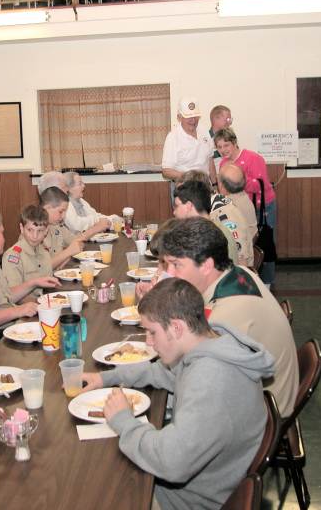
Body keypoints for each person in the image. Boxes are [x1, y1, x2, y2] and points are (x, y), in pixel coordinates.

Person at [81, 278, 275, 510]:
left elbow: (171, 463)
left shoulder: (210, 379)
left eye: (152, 333)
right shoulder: (212, 343)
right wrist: (104, 378)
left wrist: (123, 421)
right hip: (204, 482)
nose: (149, 343)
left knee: (95, 488)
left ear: (177, 327)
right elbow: (163, 373)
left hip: (189, 501)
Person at [158, 216, 299, 416]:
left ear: (206, 265)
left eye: (176, 264)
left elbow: (195, 380)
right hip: (262, 395)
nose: (170, 273)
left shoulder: (224, 319)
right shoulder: (237, 272)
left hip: (263, 416)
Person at [214, 128, 277, 285]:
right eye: (219, 147)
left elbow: (260, 185)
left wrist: (236, 179)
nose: (223, 150)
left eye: (226, 145)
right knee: (243, 244)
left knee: (265, 244)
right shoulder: (223, 163)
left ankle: (267, 283)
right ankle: (248, 280)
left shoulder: (253, 158)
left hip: (263, 207)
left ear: (234, 143)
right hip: (239, 209)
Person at [172, 179, 239, 265]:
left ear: (188, 206)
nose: (174, 212)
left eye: (177, 206)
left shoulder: (215, 235)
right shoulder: (201, 229)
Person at [2, 205, 55, 299]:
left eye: (40, 231)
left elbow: (48, 287)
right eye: (30, 230)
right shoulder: (13, 256)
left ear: (46, 231)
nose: (35, 236)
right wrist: (38, 305)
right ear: (22, 228)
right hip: (25, 310)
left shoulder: (44, 253)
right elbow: (12, 295)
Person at [161, 98, 217, 187]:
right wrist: (191, 177)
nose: (193, 120)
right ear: (179, 117)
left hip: (206, 187)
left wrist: (215, 185)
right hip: (185, 189)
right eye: (188, 117)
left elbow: (210, 161)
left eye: (195, 116)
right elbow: (166, 171)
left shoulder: (204, 131)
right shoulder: (173, 137)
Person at [40, 186, 85, 268]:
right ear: (47, 208)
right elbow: (41, 269)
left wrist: (66, 256)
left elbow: (78, 242)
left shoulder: (57, 226)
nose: (63, 216)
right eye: (61, 211)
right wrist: (67, 253)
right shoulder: (33, 232)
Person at [218, 163, 258, 245]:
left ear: (222, 186)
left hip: (239, 252)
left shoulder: (229, 207)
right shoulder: (243, 196)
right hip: (247, 246)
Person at [63, 171, 113, 235]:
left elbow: (94, 215)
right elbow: (76, 225)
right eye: (80, 184)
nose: (84, 186)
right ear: (69, 188)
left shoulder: (81, 200)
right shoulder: (66, 204)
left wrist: (111, 218)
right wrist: (98, 221)